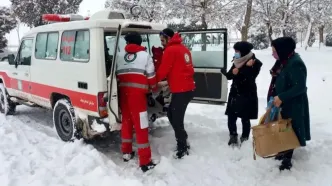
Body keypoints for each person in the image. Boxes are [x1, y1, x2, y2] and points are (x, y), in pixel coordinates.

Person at [116, 32, 158, 172]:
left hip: (123, 95)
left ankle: (127, 153)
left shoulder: (120, 56)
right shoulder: (145, 56)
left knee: (126, 123)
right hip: (138, 97)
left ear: (128, 43)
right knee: (141, 126)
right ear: (140, 43)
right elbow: (151, 76)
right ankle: (145, 161)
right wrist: (154, 89)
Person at [268, 37, 310, 171]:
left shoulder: (295, 63)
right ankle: (283, 151)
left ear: (283, 50)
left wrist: (282, 96)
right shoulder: (284, 61)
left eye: (274, 50)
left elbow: (300, 87)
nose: (273, 53)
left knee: (290, 128)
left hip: (293, 103)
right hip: (284, 102)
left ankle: (287, 159)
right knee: (283, 125)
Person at [156, 28, 196, 159]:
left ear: (168, 38)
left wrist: (152, 81)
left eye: (163, 40)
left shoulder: (170, 50)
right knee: (171, 114)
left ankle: (183, 147)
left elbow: (164, 69)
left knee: (176, 119)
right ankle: (183, 139)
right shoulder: (183, 48)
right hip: (186, 88)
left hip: (182, 90)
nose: (161, 43)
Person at [223, 41, 262, 146]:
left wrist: (241, 71)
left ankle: (245, 136)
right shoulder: (237, 60)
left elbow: (251, 77)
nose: (235, 53)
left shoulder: (255, 62)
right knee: (231, 115)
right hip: (235, 92)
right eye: (235, 51)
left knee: (245, 116)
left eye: (237, 51)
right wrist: (229, 73)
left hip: (247, 92)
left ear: (244, 51)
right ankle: (233, 135)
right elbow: (230, 76)